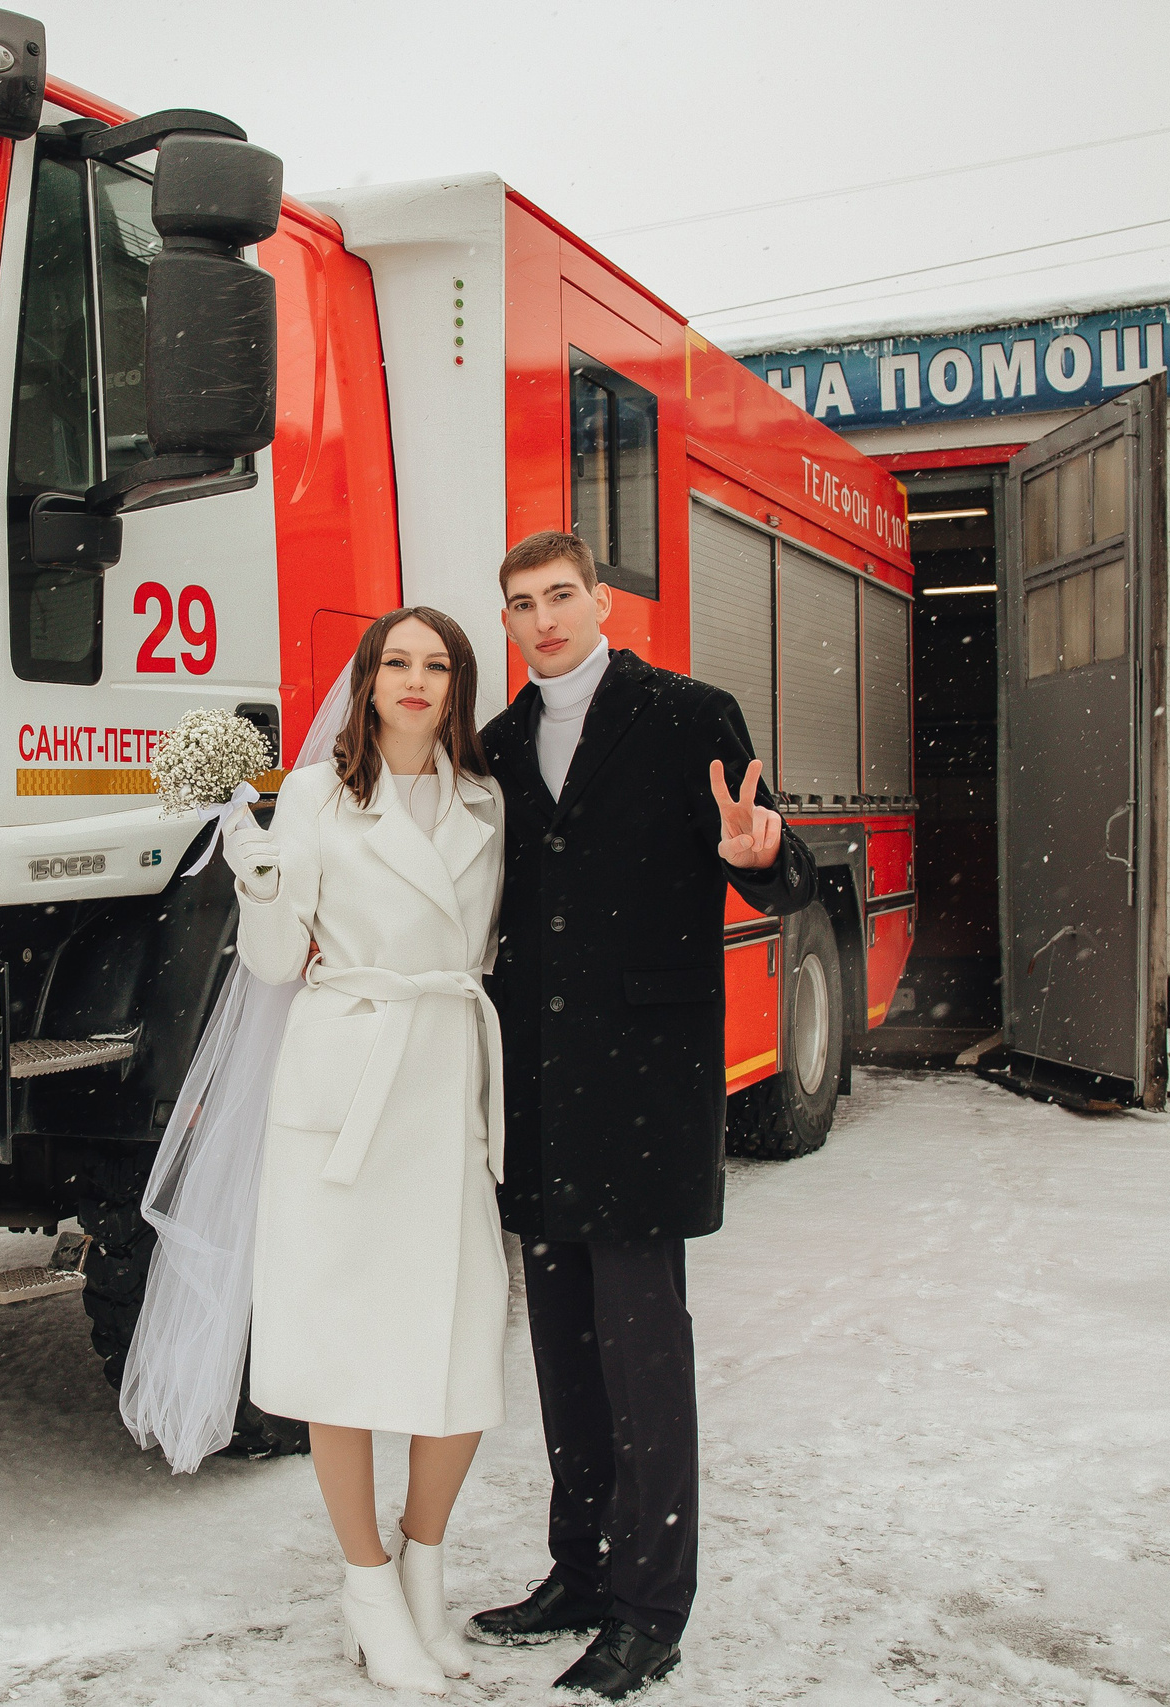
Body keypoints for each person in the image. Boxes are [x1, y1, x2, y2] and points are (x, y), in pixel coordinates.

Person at [470, 530, 816, 1699]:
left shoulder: (687, 714)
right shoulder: (500, 746)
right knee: (564, 1353)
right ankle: (579, 1571)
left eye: (560, 596)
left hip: (644, 1084)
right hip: (542, 1086)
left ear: (601, 601)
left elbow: (780, 861)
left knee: (642, 1351)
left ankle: (650, 1609)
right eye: (521, 605)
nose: (543, 619)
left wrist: (758, 855)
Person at [215, 606, 511, 1695]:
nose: (416, 681)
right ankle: (366, 1582)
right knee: (340, 1351)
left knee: (462, 1347)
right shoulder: (312, 795)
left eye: (437, 666)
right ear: (368, 679)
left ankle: (424, 1566)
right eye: (398, 662)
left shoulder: (483, 797)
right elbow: (270, 965)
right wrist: (258, 875)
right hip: (346, 1081)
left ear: (457, 686)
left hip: (445, 1078)